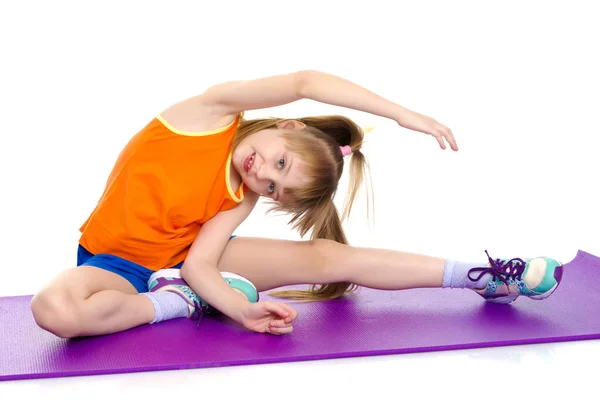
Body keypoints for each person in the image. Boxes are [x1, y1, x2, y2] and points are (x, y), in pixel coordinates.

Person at [30, 70, 563, 338]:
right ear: (287, 126)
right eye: (278, 164)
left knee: (327, 257)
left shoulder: (239, 196)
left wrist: (243, 311)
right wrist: (404, 113)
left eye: (274, 189)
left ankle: (485, 276)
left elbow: (200, 261)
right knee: (54, 309)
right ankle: (179, 303)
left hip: (185, 261)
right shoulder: (207, 113)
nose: (261, 174)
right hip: (114, 266)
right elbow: (306, 80)